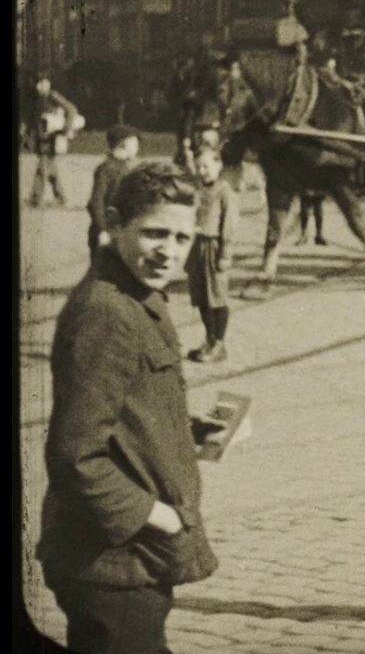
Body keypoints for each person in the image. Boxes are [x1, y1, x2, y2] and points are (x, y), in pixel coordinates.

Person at [38, 162, 219, 653]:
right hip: (110, 564)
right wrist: (158, 516)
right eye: (154, 232)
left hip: (128, 561)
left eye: (183, 238)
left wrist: (195, 432)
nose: (169, 251)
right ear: (113, 222)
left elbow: (124, 413)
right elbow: (76, 456)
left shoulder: (136, 295)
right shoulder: (107, 312)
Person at [187, 146, 238, 363]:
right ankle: (209, 339)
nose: (202, 170)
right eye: (199, 166)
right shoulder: (198, 189)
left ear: (218, 165)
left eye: (207, 165)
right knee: (201, 298)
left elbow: (230, 225)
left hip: (214, 248)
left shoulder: (225, 192)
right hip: (197, 247)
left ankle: (219, 343)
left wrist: (225, 255)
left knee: (216, 297)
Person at [28, 71, 83, 208]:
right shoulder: (37, 98)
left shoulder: (53, 96)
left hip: (50, 138)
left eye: (45, 82)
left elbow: (72, 109)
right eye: (40, 83)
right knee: (50, 168)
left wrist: (66, 130)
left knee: (43, 167)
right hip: (41, 138)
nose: (42, 86)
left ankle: (36, 198)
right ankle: (60, 198)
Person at [88, 124, 141, 256]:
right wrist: (102, 230)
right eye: (134, 145)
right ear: (122, 145)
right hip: (108, 231)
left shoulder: (126, 168)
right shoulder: (106, 169)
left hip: (122, 230)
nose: (137, 149)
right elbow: (97, 201)